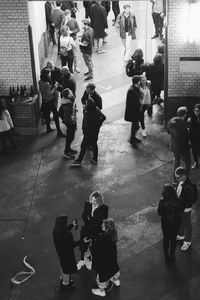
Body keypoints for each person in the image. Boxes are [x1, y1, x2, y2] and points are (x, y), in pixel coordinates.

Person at [77, 191, 109, 270]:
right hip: (87, 227)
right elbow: (84, 216)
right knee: (83, 243)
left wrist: (91, 221)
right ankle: (82, 259)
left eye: (96, 201)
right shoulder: (87, 204)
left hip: (96, 230)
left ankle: (90, 260)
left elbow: (101, 221)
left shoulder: (104, 208)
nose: (93, 202)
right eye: (92, 199)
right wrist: (91, 221)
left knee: (94, 246)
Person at [70, 98, 106, 167]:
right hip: (95, 131)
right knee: (94, 144)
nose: (85, 104)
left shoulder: (87, 113)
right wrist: (99, 124)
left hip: (88, 132)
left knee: (83, 146)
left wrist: (84, 109)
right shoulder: (96, 109)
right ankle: (95, 159)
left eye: (86, 103)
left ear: (88, 105)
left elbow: (86, 123)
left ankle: (78, 161)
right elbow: (104, 117)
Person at [92, 218, 120, 297]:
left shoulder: (103, 238)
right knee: (113, 268)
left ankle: (101, 291)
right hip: (112, 257)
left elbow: (97, 249)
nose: (101, 225)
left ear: (107, 228)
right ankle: (116, 280)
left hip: (104, 260)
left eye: (103, 225)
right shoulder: (113, 233)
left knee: (103, 274)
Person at [158, 184, 184, 261]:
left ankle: (166, 255)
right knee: (173, 239)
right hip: (175, 223)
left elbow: (160, 213)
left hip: (165, 223)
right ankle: (172, 254)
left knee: (166, 239)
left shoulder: (162, 202)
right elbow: (182, 209)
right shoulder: (179, 201)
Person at [53, 215, 80, 289]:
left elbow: (64, 230)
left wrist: (71, 225)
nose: (67, 223)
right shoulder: (65, 235)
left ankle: (63, 279)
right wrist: (81, 241)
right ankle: (66, 284)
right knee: (67, 270)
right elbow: (72, 245)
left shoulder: (56, 230)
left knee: (63, 266)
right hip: (67, 254)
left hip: (61, 253)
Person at [38, 68, 65, 137]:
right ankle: (59, 132)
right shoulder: (47, 84)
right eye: (49, 73)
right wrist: (55, 88)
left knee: (47, 116)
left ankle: (48, 128)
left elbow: (43, 92)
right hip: (49, 101)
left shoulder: (40, 81)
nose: (50, 74)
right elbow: (49, 93)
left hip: (44, 101)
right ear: (46, 74)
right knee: (56, 115)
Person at [167, 107, 191, 182]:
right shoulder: (183, 124)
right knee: (187, 162)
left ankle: (175, 179)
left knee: (176, 161)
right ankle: (185, 178)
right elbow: (185, 139)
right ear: (184, 115)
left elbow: (168, 131)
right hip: (182, 148)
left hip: (173, 146)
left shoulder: (171, 120)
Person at [175, 167, 196, 251]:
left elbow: (193, 199)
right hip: (180, 207)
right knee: (181, 221)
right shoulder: (180, 182)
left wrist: (183, 205)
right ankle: (181, 235)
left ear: (183, 176)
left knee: (187, 224)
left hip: (185, 208)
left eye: (177, 177)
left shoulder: (191, 186)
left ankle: (188, 241)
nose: (176, 179)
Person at [59, 88, 77, 160]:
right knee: (70, 137)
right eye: (70, 92)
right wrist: (72, 123)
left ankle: (69, 149)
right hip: (70, 123)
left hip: (71, 121)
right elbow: (67, 116)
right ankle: (66, 152)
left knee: (71, 136)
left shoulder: (69, 101)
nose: (71, 92)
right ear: (68, 95)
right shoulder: (66, 104)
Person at [124, 75, 142, 147]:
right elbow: (132, 103)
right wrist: (140, 102)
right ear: (138, 82)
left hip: (135, 111)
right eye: (140, 81)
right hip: (133, 112)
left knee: (135, 125)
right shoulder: (131, 90)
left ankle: (133, 138)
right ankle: (132, 139)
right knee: (135, 125)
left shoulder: (135, 88)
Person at [188, 103, 200, 170]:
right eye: (195, 110)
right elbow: (190, 128)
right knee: (194, 151)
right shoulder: (192, 117)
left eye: (198, 110)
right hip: (193, 138)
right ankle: (196, 163)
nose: (196, 112)